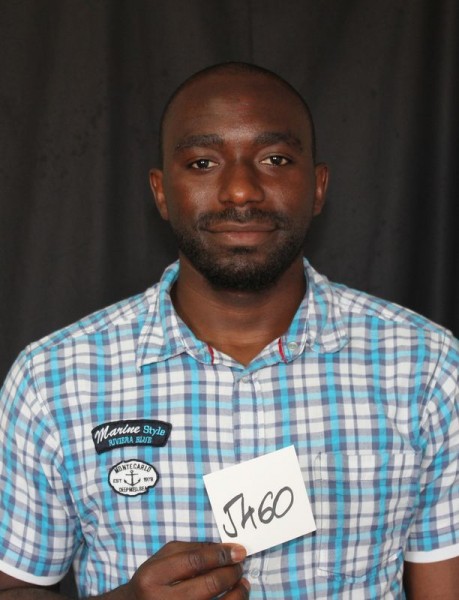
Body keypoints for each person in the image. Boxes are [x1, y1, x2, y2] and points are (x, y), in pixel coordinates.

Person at [0, 61, 458, 599]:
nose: (240, 191)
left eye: (275, 159)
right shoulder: (53, 380)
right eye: (202, 162)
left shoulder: (426, 368)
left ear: (317, 187)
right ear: (161, 192)